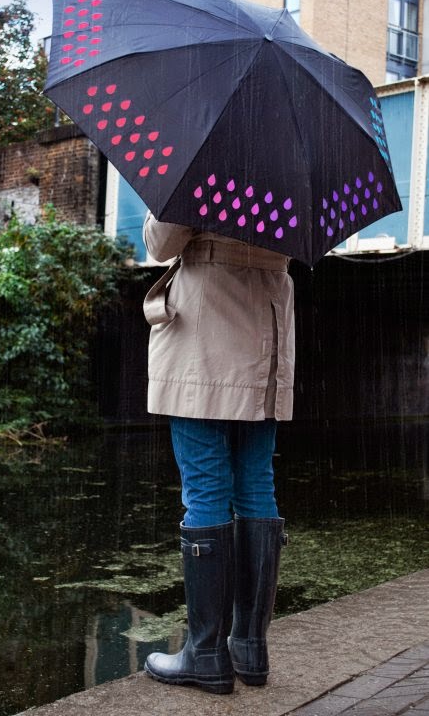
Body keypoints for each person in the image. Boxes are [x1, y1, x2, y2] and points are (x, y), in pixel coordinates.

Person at [142, 211, 295, 695]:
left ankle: (205, 654)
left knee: (206, 484)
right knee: (255, 482)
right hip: (268, 319)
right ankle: (249, 647)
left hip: (205, 322)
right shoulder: (292, 162)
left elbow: (162, 244)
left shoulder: (206, 156)